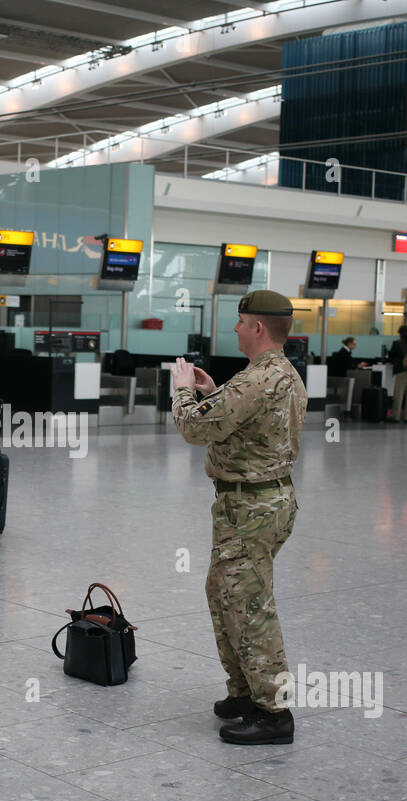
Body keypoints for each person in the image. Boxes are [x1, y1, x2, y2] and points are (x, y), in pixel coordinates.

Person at [171, 290, 306, 746]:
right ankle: (245, 691)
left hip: (251, 507)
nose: (235, 328)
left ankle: (274, 711)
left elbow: (194, 428)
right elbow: (244, 420)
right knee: (226, 594)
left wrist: (184, 390)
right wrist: (214, 393)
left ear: (258, 329)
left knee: (248, 606)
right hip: (257, 503)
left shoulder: (257, 380)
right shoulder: (274, 374)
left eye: (240, 321)